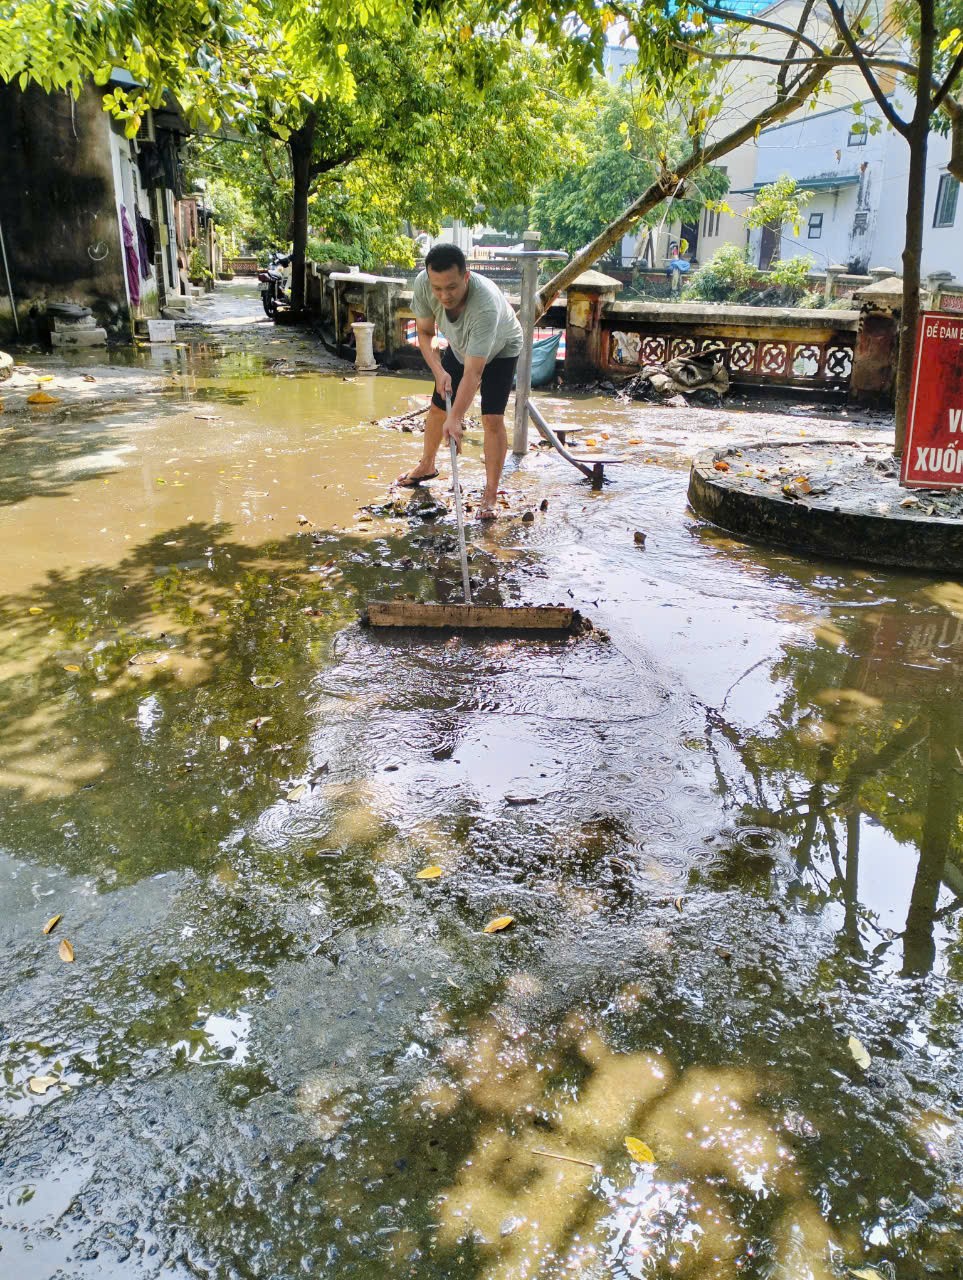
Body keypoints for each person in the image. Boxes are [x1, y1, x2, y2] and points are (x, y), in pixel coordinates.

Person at [398, 243, 523, 520]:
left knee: (491, 418)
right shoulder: (423, 284)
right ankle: (427, 465)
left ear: (466, 277)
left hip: (501, 348)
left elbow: (474, 374)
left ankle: (490, 495)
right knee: (437, 407)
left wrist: (456, 418)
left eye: (452, 287)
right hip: (458, 345)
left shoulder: (484, 306)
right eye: (437, 288)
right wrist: (438, 371)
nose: (444, 295)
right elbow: (425, 332)